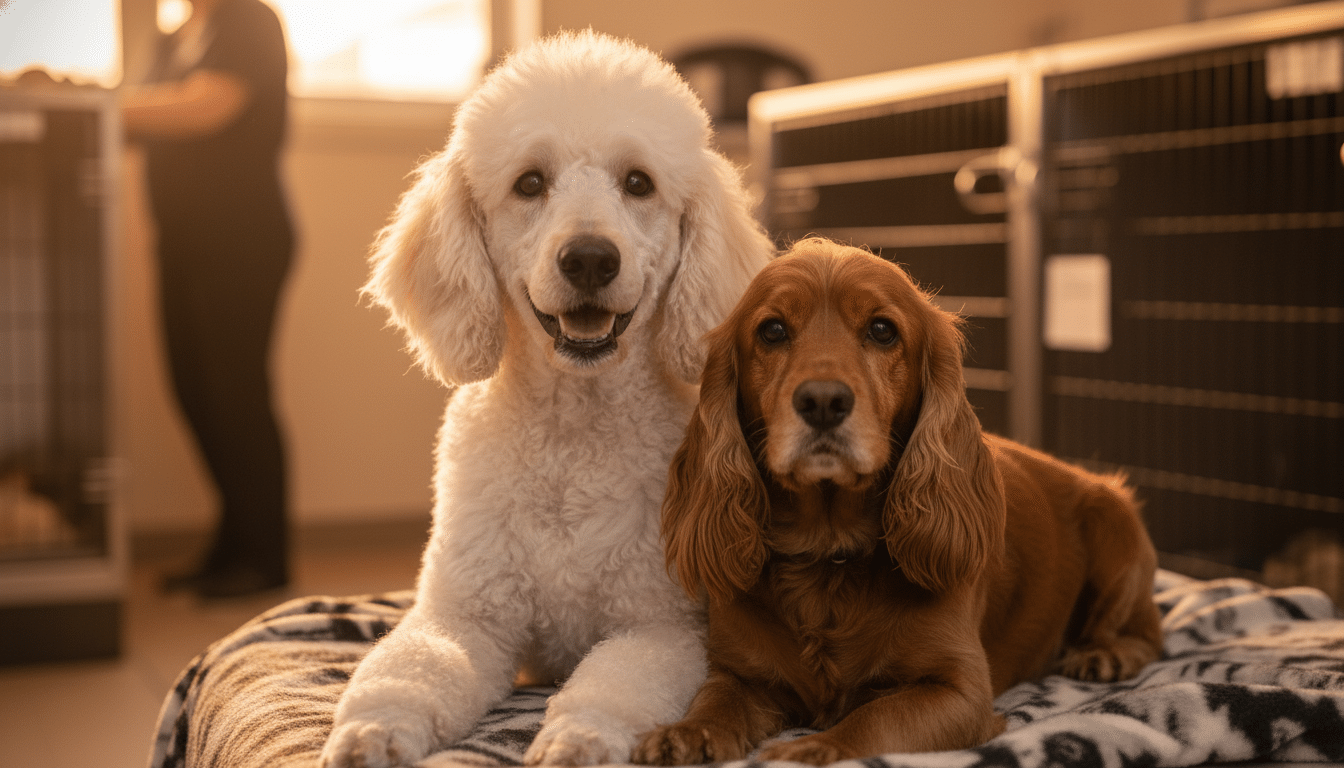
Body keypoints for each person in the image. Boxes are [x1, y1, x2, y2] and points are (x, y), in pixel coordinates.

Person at [122, 0, 293, 598]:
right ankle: (231, 542)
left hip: (243, 240)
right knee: (193, 390)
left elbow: (206, 106)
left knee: (236, 390)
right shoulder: (171, 40)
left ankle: (264, 555)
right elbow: (140, 116)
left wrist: (103, 104)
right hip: (180, 242)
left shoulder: (250, 21)